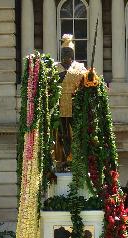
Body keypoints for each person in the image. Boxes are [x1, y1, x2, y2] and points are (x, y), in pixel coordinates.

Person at [54, 33, 87, 172]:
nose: (66, 54)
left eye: (69, 52)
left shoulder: (79, 67)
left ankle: (74, 159)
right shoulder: (54, 68)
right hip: (58, 106)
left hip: (74, 106)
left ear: (72, 54)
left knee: (74, 134)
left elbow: (88, 83)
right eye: (64, 52)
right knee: (60, 134)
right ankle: (61, 160)